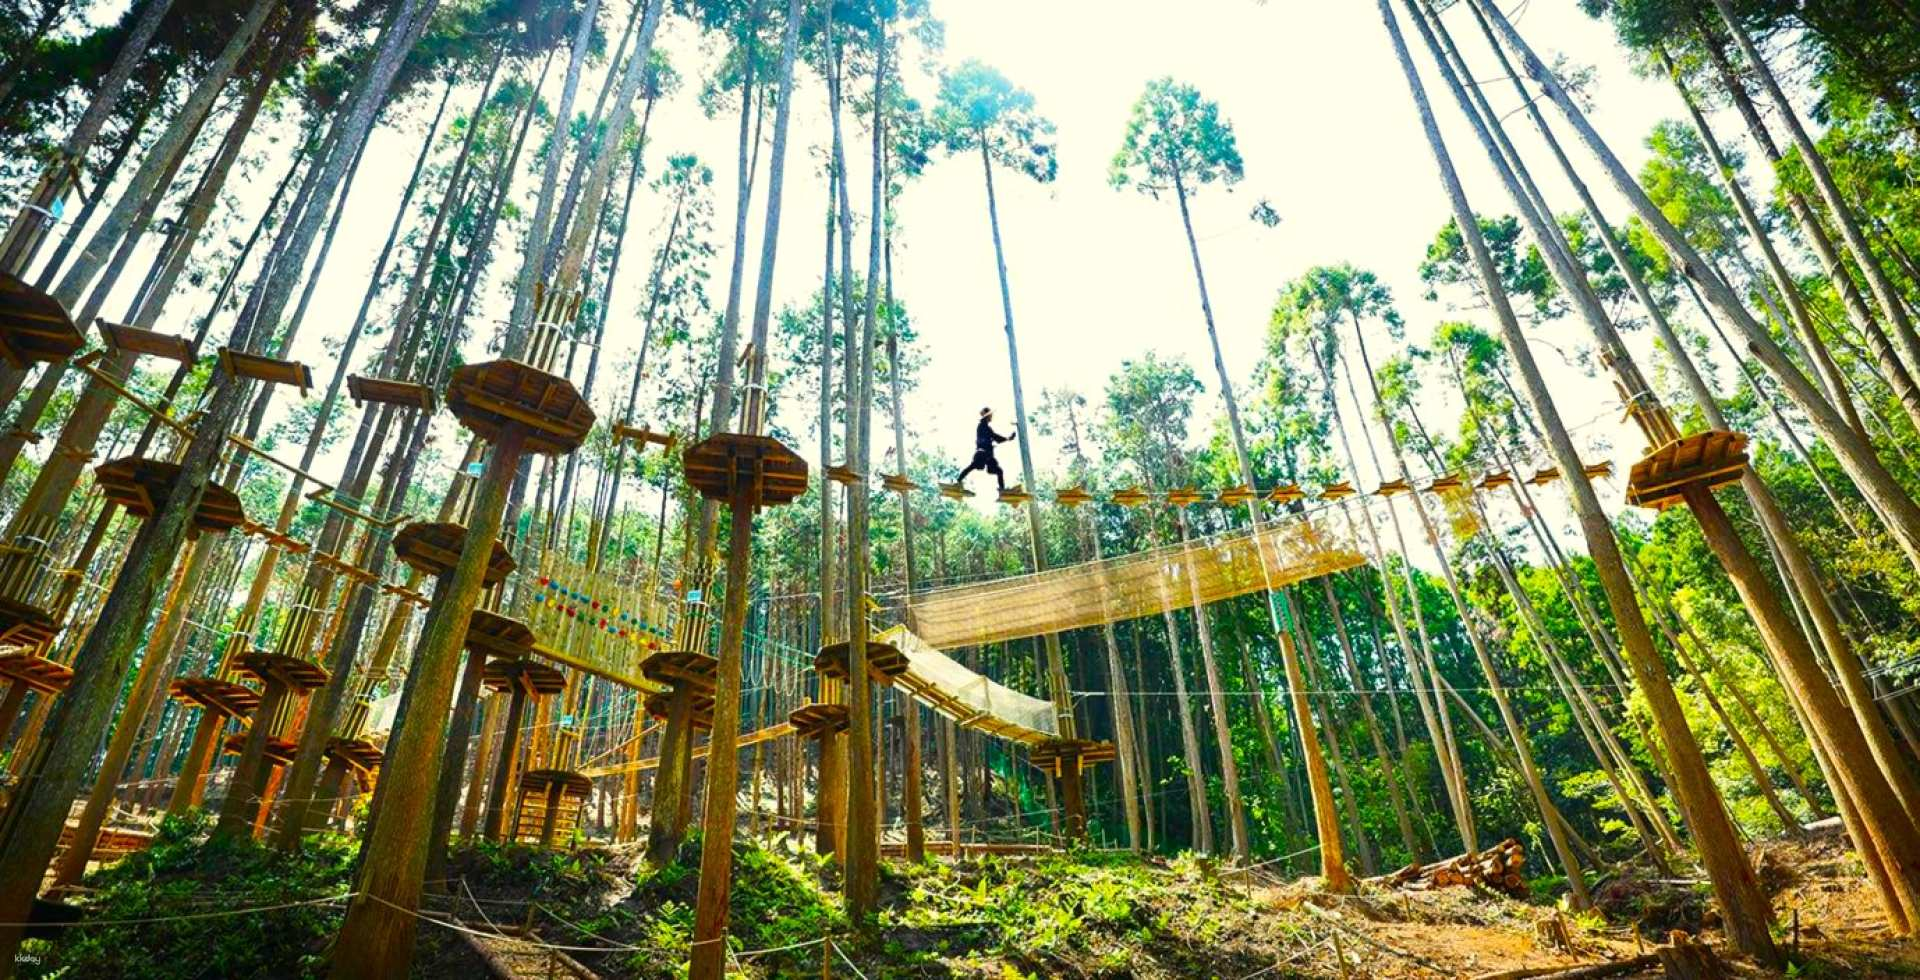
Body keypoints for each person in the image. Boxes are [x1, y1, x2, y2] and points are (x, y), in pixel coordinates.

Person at [956, 407, 1016, 491]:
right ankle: (958, 482)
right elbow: (995, 437)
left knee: (998, 471)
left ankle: (1002, 490)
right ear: (987, 416)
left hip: (987, 456)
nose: (992, 417)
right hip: (982, 454)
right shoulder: (983, 426)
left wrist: (1006, 439)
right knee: (972, 466)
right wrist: (1008, 438)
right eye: (990, 415)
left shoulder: (985, 427)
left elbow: (994, 438)